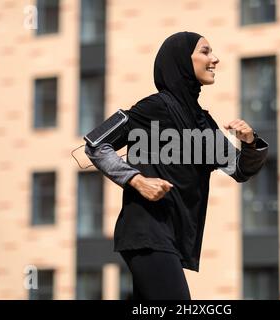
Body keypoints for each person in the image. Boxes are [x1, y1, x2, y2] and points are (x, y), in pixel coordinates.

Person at [85, 31, 268, 300]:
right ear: (183, 60)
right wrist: (136, 180)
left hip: (172, 238)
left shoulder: (203, 123)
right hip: (146, 234)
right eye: (205, 51)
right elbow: (96, 144)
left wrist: (250, 142)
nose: (214, 59)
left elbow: (240, 170)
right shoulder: (154, 107)